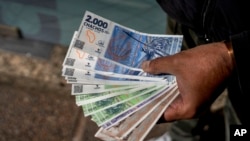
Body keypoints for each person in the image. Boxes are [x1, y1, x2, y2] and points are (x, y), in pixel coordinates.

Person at [143, 0, 250, 140]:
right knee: (178, 97)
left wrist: (232, 54)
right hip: (185, 15)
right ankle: (178, 136)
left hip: (243, 34)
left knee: (242, 118)